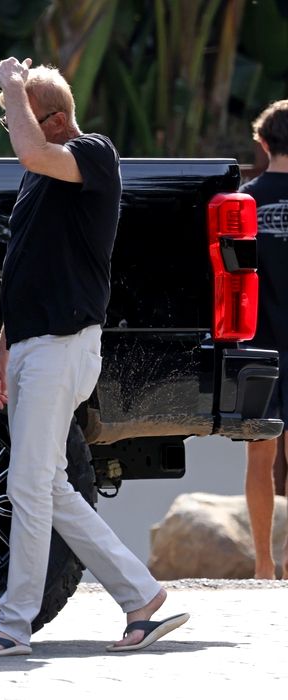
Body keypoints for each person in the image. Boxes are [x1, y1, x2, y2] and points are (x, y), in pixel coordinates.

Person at [0, 57, 189, 657]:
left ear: (54, 121)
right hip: (34, 347)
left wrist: (13, 85)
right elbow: (29, 267)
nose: (11, 128)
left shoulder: (94, 153)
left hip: (62, 349)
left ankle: (13, 624)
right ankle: (142, 596)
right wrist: (5, 347)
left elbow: (32, 152)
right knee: (48, 486)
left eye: (18, 117)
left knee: (28, 485)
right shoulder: (40, 178)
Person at [240, 99, 288, 580]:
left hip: (259, 346)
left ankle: (263, 565)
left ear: (262, 142)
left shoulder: (245, 202)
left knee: (260, 453)